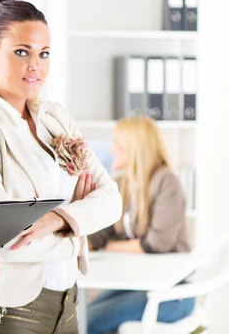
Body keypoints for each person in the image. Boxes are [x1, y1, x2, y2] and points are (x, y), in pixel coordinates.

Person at [0, 0, 122, 334]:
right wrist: (76, 238)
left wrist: (56, 219)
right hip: (9, 313)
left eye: (43, 53)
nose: (35, 65)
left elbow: (112, 199)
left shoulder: (56, 118)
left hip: (67, 303)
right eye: (21, 52)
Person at [87, 116, 195, 333]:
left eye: (118, 144)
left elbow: (156, 244)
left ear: (134, 148)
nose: (113, 149)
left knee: (89, 321)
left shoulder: (166, 182)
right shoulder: (122, 185)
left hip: (172, 294)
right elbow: (100, 235)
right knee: (81, 314)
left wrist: (110, 247)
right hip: (138, 285)